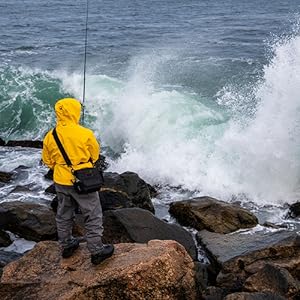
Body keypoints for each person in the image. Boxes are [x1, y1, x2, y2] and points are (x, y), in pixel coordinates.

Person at [42, 97, 114, 265]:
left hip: (61, 180)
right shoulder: (85, 133)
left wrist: (62, 166)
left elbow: (47, 160)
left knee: (64, 213)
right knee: (93, 214)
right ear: (75, 112)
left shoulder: (50, 135)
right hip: (83, 181)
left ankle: (67, 244)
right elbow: (95, 155)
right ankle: (96, 250)